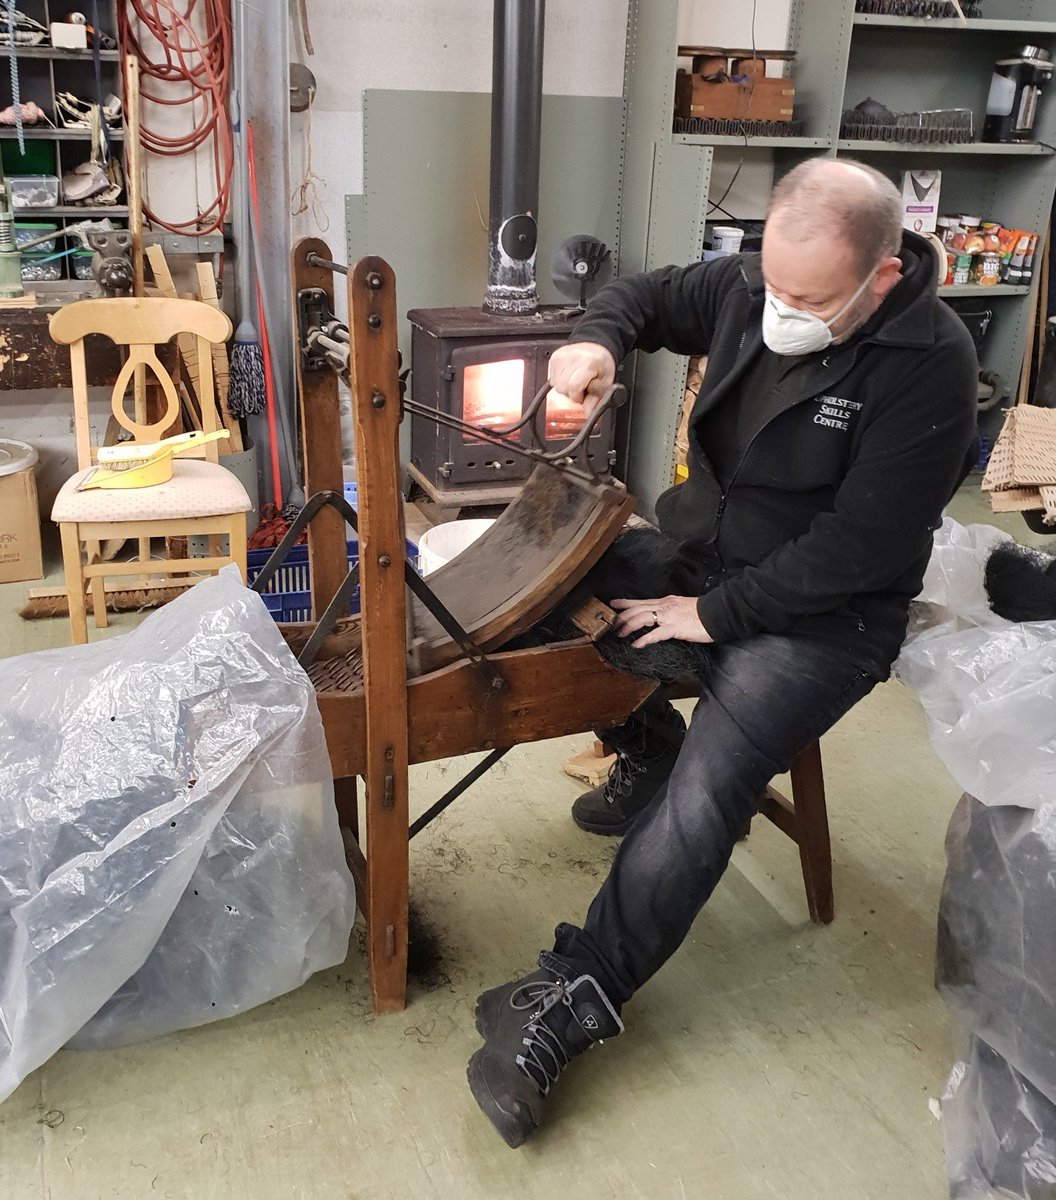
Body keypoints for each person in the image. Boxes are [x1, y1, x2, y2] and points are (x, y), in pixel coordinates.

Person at [466, 158, 978, 1148]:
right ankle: (644, 742)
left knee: (711, 793)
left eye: (811, 298)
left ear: (881, 276)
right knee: (545, 570)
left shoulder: (930, 362)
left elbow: (861, 550)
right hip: (713, 555)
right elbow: (641, 296)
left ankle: (578, 991)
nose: (781, 310)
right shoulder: (754, 282)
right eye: (773, 287)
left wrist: (714, 616)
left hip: (827, 618)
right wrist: (597, 344)